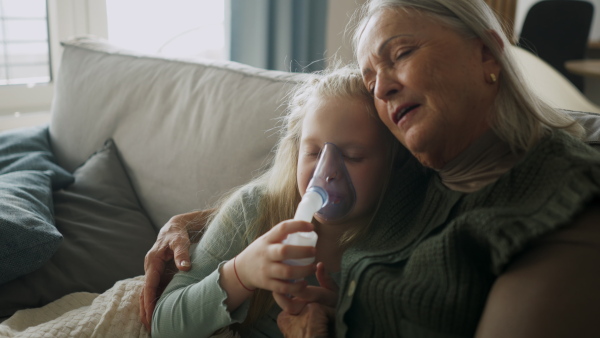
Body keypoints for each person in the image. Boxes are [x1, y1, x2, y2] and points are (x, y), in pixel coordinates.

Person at [142, 0, 600, 336]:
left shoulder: (557, 201)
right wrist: (201, 225)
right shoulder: (427, 172)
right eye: (370, 76)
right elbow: (290, 195)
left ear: (487, 53)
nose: (382, 88)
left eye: (400, 53)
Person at [150, 66, 400, 337]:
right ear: (295, 151)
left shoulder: (399, 246)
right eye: (313, 152)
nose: (326, 172)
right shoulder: (253, 212)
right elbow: (163, 325)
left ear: (393, 164)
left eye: (352, 156)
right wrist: (240, 273)